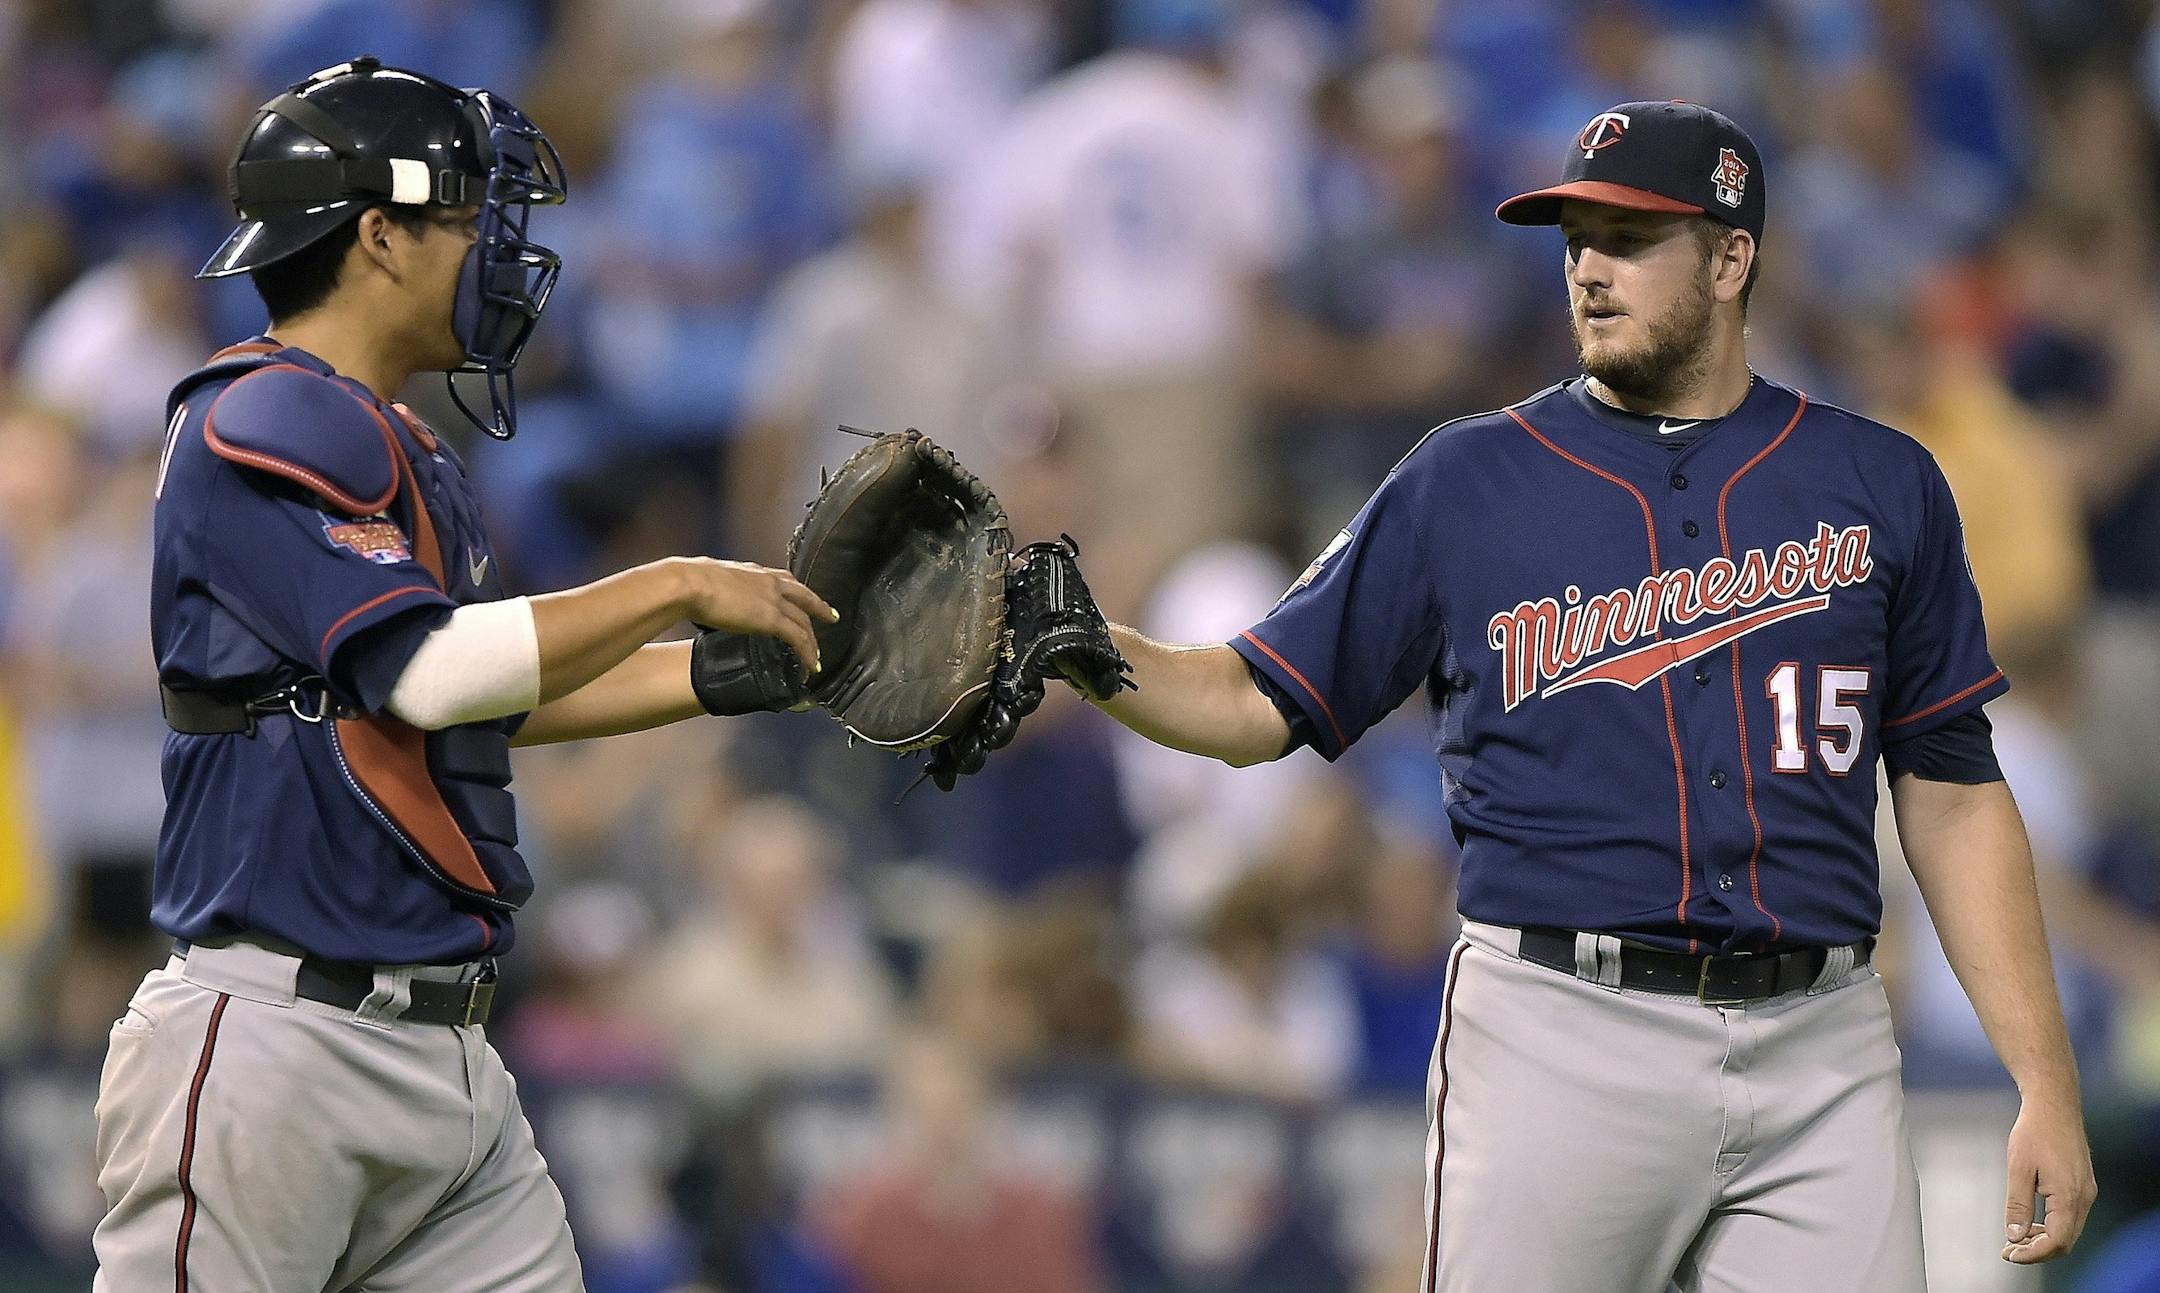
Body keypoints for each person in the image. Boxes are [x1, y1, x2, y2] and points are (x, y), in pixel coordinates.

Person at [1038, 101, 2098, 1290]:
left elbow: (1952, 795)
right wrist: (1088, 648)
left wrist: (2043, 1083)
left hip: (1824, 1041)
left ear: (1732, 257)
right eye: (1575, 239)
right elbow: (1251, 699)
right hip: (1560, 1033)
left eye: (1631, 238)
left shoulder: (1880, 482)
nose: (1590, 268)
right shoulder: (1467, 478)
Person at [93, 59, 835, 1291]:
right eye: (463, 215)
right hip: (275, 1043)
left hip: (447, 1054)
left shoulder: (404, 443)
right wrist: (677, 581)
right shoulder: (260, 415)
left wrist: (729, 675)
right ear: (376, 235)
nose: (495, 247)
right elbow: (429, 673)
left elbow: (497, 687)